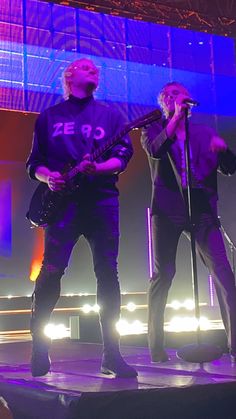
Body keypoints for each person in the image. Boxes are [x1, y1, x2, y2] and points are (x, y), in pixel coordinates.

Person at [26, 57, 137, 378]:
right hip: (62, 205)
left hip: (101, 202)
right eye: (86, 67)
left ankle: (112, 354)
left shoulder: (112, 116)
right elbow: (34, 164)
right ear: (69, 76)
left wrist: (97, 168)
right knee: (51, 270)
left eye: (96, 70)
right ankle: (39, 347)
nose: (94, 70)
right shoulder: (49, 117)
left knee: (108, 272)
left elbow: (122, 157)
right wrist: (49, 178)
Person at [141, 81, 236, 363]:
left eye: (179, 93)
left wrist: (224, 151)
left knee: (224, 274)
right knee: (164, 274)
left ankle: (234, 346)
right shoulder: (153, 129)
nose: (174, 97)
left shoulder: (204, 133)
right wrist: (175, 121)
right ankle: (156, 348)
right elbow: (156, 150)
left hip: (202, 209)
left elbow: (230, 168)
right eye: (168, 95)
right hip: (168, 210)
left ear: (189, 100)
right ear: (164, 103)